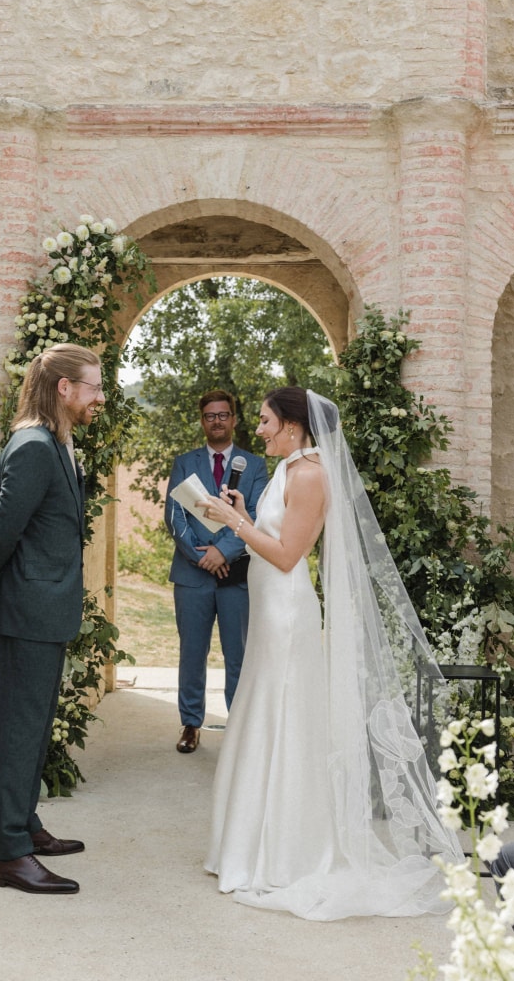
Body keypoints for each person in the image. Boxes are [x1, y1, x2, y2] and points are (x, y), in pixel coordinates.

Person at [198, 386, 464, 919]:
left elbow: (287, 555)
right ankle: (246, 843)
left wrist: (234, 523)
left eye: (267, 421)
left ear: (293, 425)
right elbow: (270, 534)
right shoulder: (288, 468)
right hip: (268, 609)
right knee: (263, 714)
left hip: (287, 612)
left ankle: (285, 853)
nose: (260, 430)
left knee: (285, 717)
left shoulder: (312, 474)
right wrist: (246, 513)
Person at [0, 342, 105, 895]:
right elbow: (4, 527)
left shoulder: (56, 441)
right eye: (94, 387)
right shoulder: (34, 445)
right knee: (19, 733)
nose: (100, 398)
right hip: (27, 612)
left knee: (34, 729)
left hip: (44, 609)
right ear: (64, 387)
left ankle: (25, 824)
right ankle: (8, 855)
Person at [165, 390, 268, 753]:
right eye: (210, 416)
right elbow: (174, 516)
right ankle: (190, 724)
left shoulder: (254, 465)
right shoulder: (184, 463)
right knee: (192, 653)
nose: (217, 421)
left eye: (223, 415)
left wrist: (223, 551)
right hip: (192, 575)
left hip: (235, 575)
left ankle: (238, 727)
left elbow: (256, 515)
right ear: (202, 421)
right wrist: (201, 556)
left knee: (237, 654)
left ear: (234, 419)